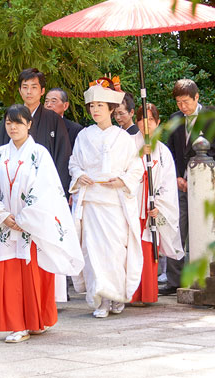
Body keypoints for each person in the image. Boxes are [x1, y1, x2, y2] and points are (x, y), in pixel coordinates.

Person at [0, 104, 83, 343]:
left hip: (31, 226)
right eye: (9, 123)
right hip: (4, 224)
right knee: (9, 274)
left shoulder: (40, 154)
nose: (13, 127)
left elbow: (46, 189)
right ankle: (17, 325)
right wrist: (2, 215)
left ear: (29, 125)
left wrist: (24, 218)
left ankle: (36, 321)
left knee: (34, 273)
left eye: (18, 123)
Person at [69, 84, 144, 317]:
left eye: (100, 105)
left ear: (111, 109)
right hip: (91, 200)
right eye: (92, 106)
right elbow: (74, 163)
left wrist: (121, 180)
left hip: (114, 201)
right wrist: (79, 174)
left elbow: (136, 167)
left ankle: (116, 296)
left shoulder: (123, 138)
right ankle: (100, 299)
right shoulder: (84, 135)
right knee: (93, 252)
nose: (95, 110)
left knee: (114, 251)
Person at [162, 79, 215, 296]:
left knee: (203, 227)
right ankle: (173, 280)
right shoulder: (175, 119)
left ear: (197, 98)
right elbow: (169, 151)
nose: (182, 107)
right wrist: (177, 176)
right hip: (178, 182)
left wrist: (193, 177)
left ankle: (203, 275)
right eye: (178, 102)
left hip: (203, 182)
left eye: (186, 101)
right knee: (176, 228)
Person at [131, 103, 184, 305]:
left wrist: (159, 204)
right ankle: (131, 293)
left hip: (151, 207)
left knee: (147, 249)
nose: (146, 124)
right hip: (132, 204)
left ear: (158, 122)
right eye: (142, 120)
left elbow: (168, 183)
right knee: (131, 251)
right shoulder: (128, 144)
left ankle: (147, 293)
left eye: (151, 120)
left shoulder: (162, 151)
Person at [0, 68, 71, 196]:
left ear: (42, 91)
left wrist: (60, 193)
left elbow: (63, 157)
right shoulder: (10, 118)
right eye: (25, 87)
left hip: (46, 190)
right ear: (19, 90)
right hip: (12, 190)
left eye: (34, 87)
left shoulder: (53, 119)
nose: (29, 91)